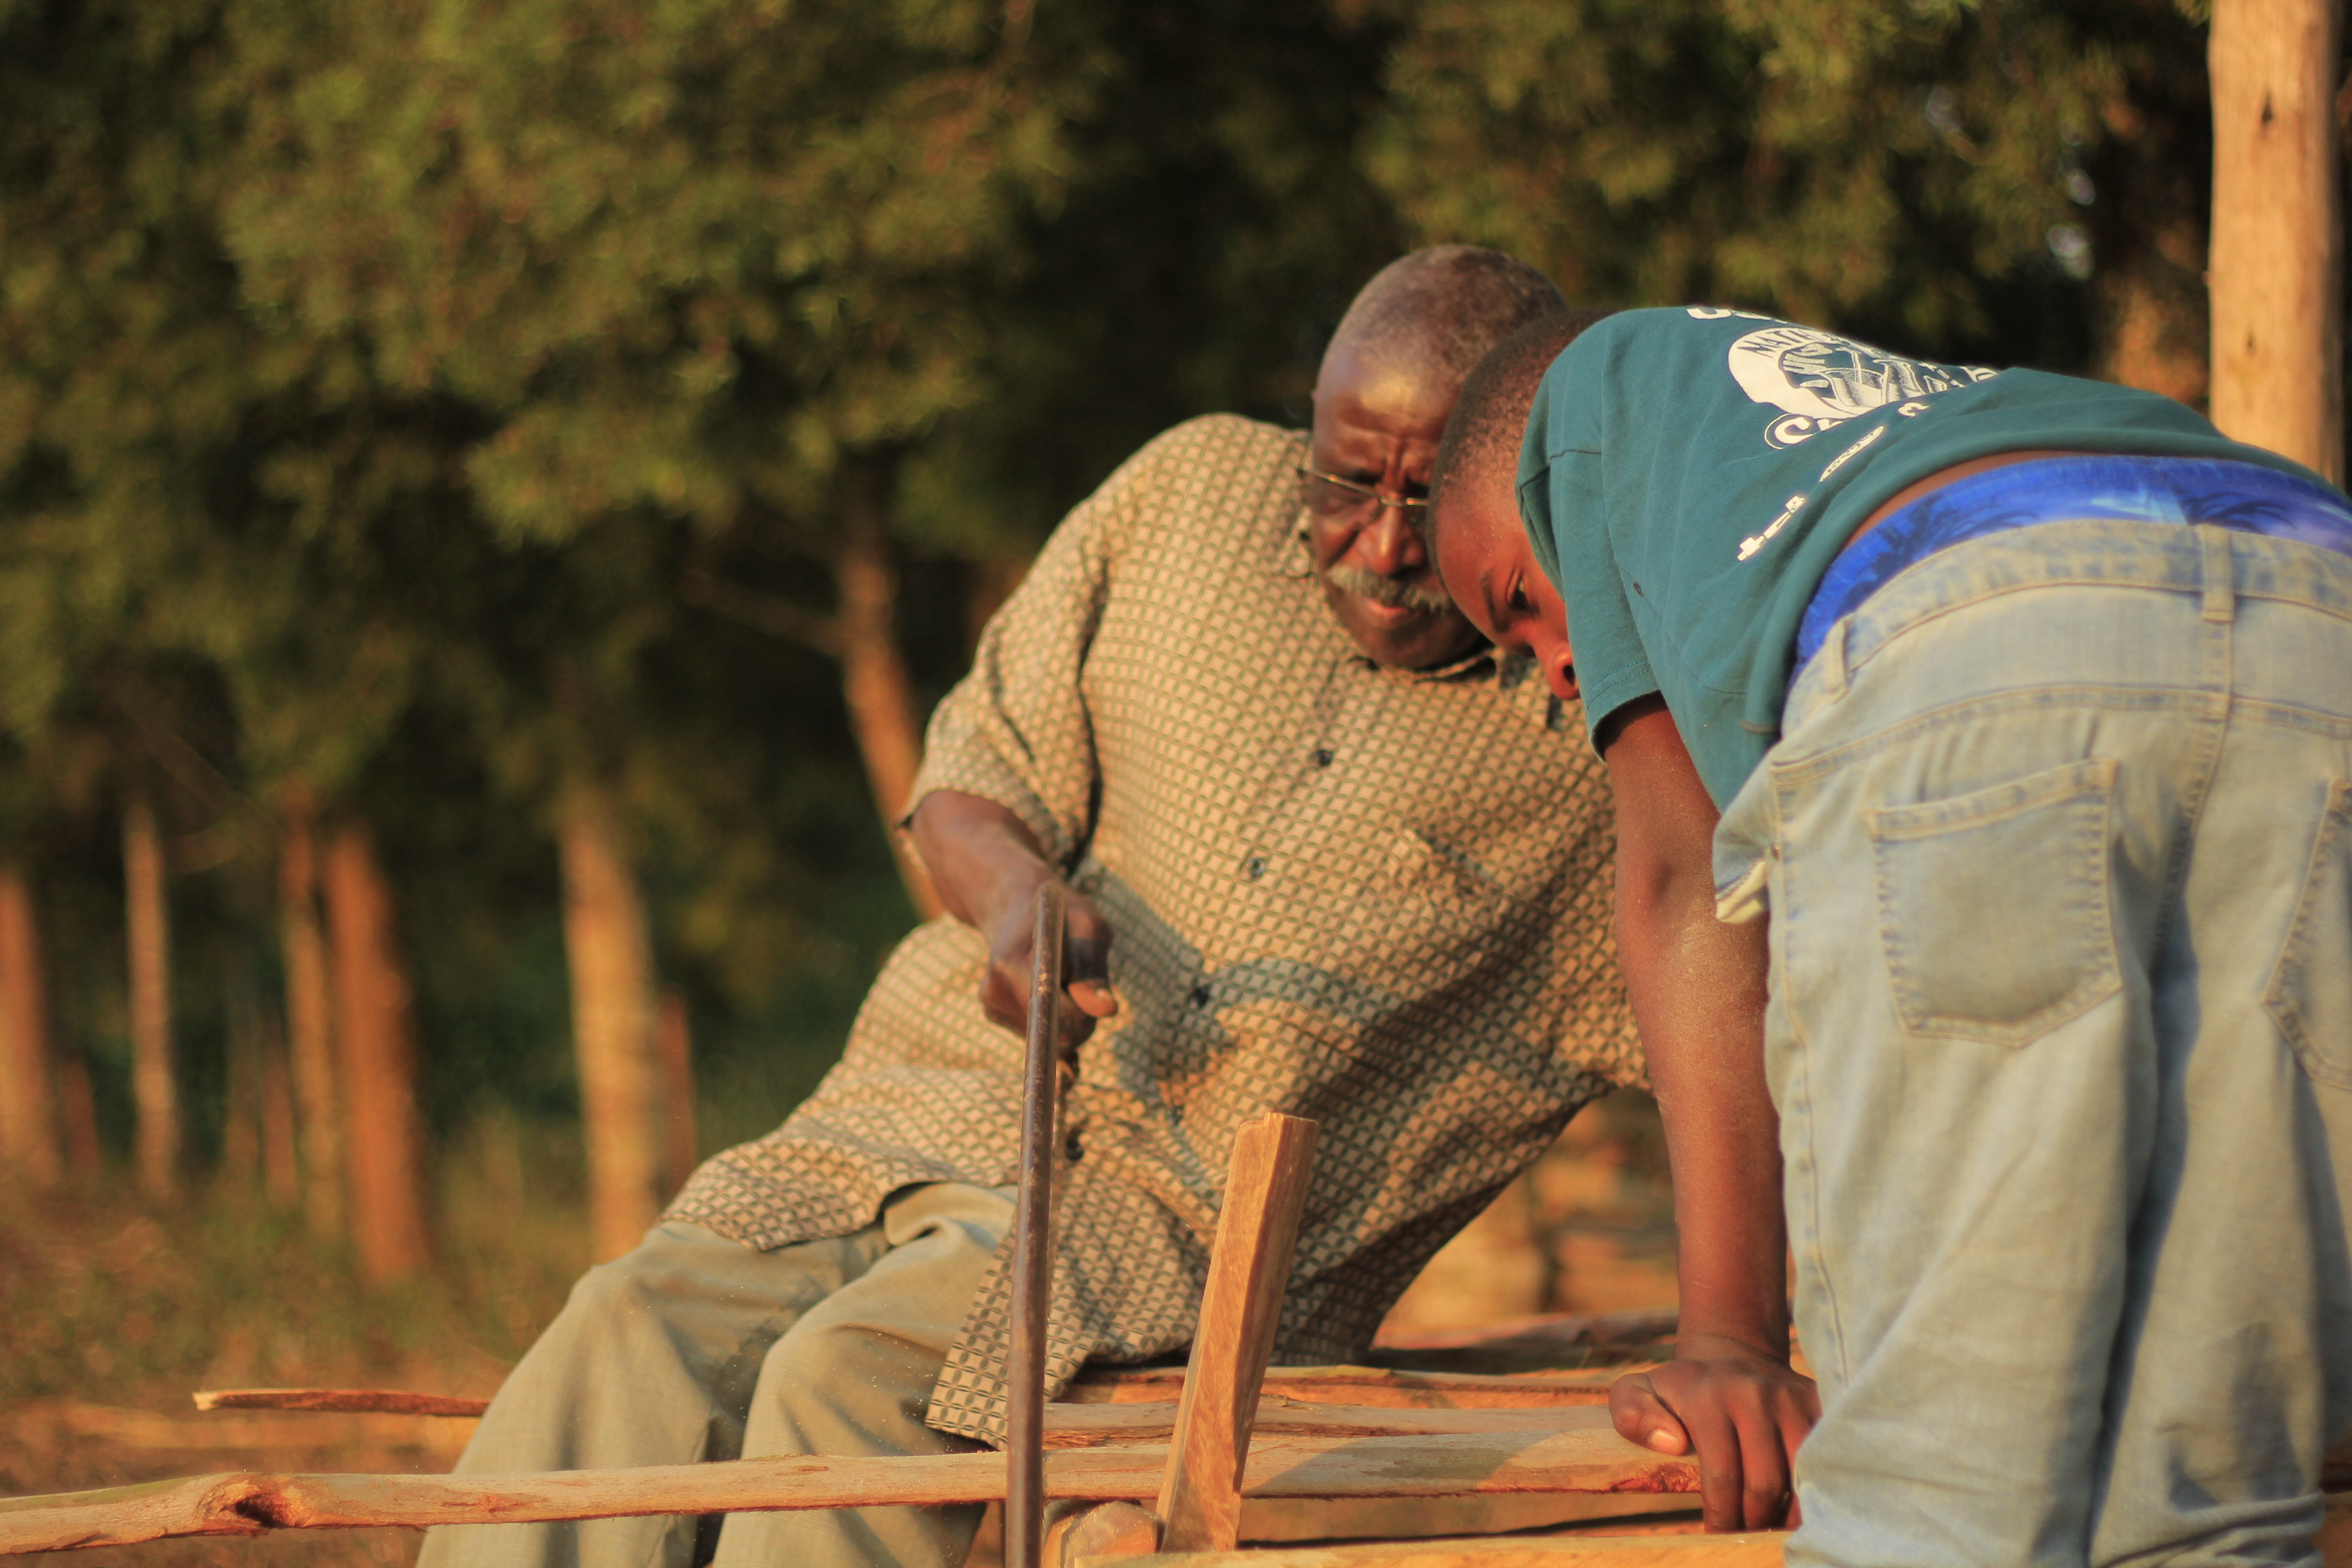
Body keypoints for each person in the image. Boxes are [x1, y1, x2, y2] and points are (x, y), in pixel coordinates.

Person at [419, 248, 1644, 1568]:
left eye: (1433, 502)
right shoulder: (1184, 493)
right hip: (917, 1111)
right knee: (625, 1331)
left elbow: (1730, 1028)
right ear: (1310, 425)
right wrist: (1017, 903)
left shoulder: (1598, 731)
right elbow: (970, 775)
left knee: (842, 1385)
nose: (1388, 546)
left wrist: (1753, 1336)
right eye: (1350, 481)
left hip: (1164, 1241)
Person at [1428, 304, 2352, 1568]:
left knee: (1934, 1502)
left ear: (1526, 483)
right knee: (2206, 1495)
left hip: (1988, 652)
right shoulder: (1957, 411)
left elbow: (1683, 878)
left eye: (1518, 606)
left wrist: (1731, 1344)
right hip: (2321, 627)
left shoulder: (1594, 396)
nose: (1550, 669)